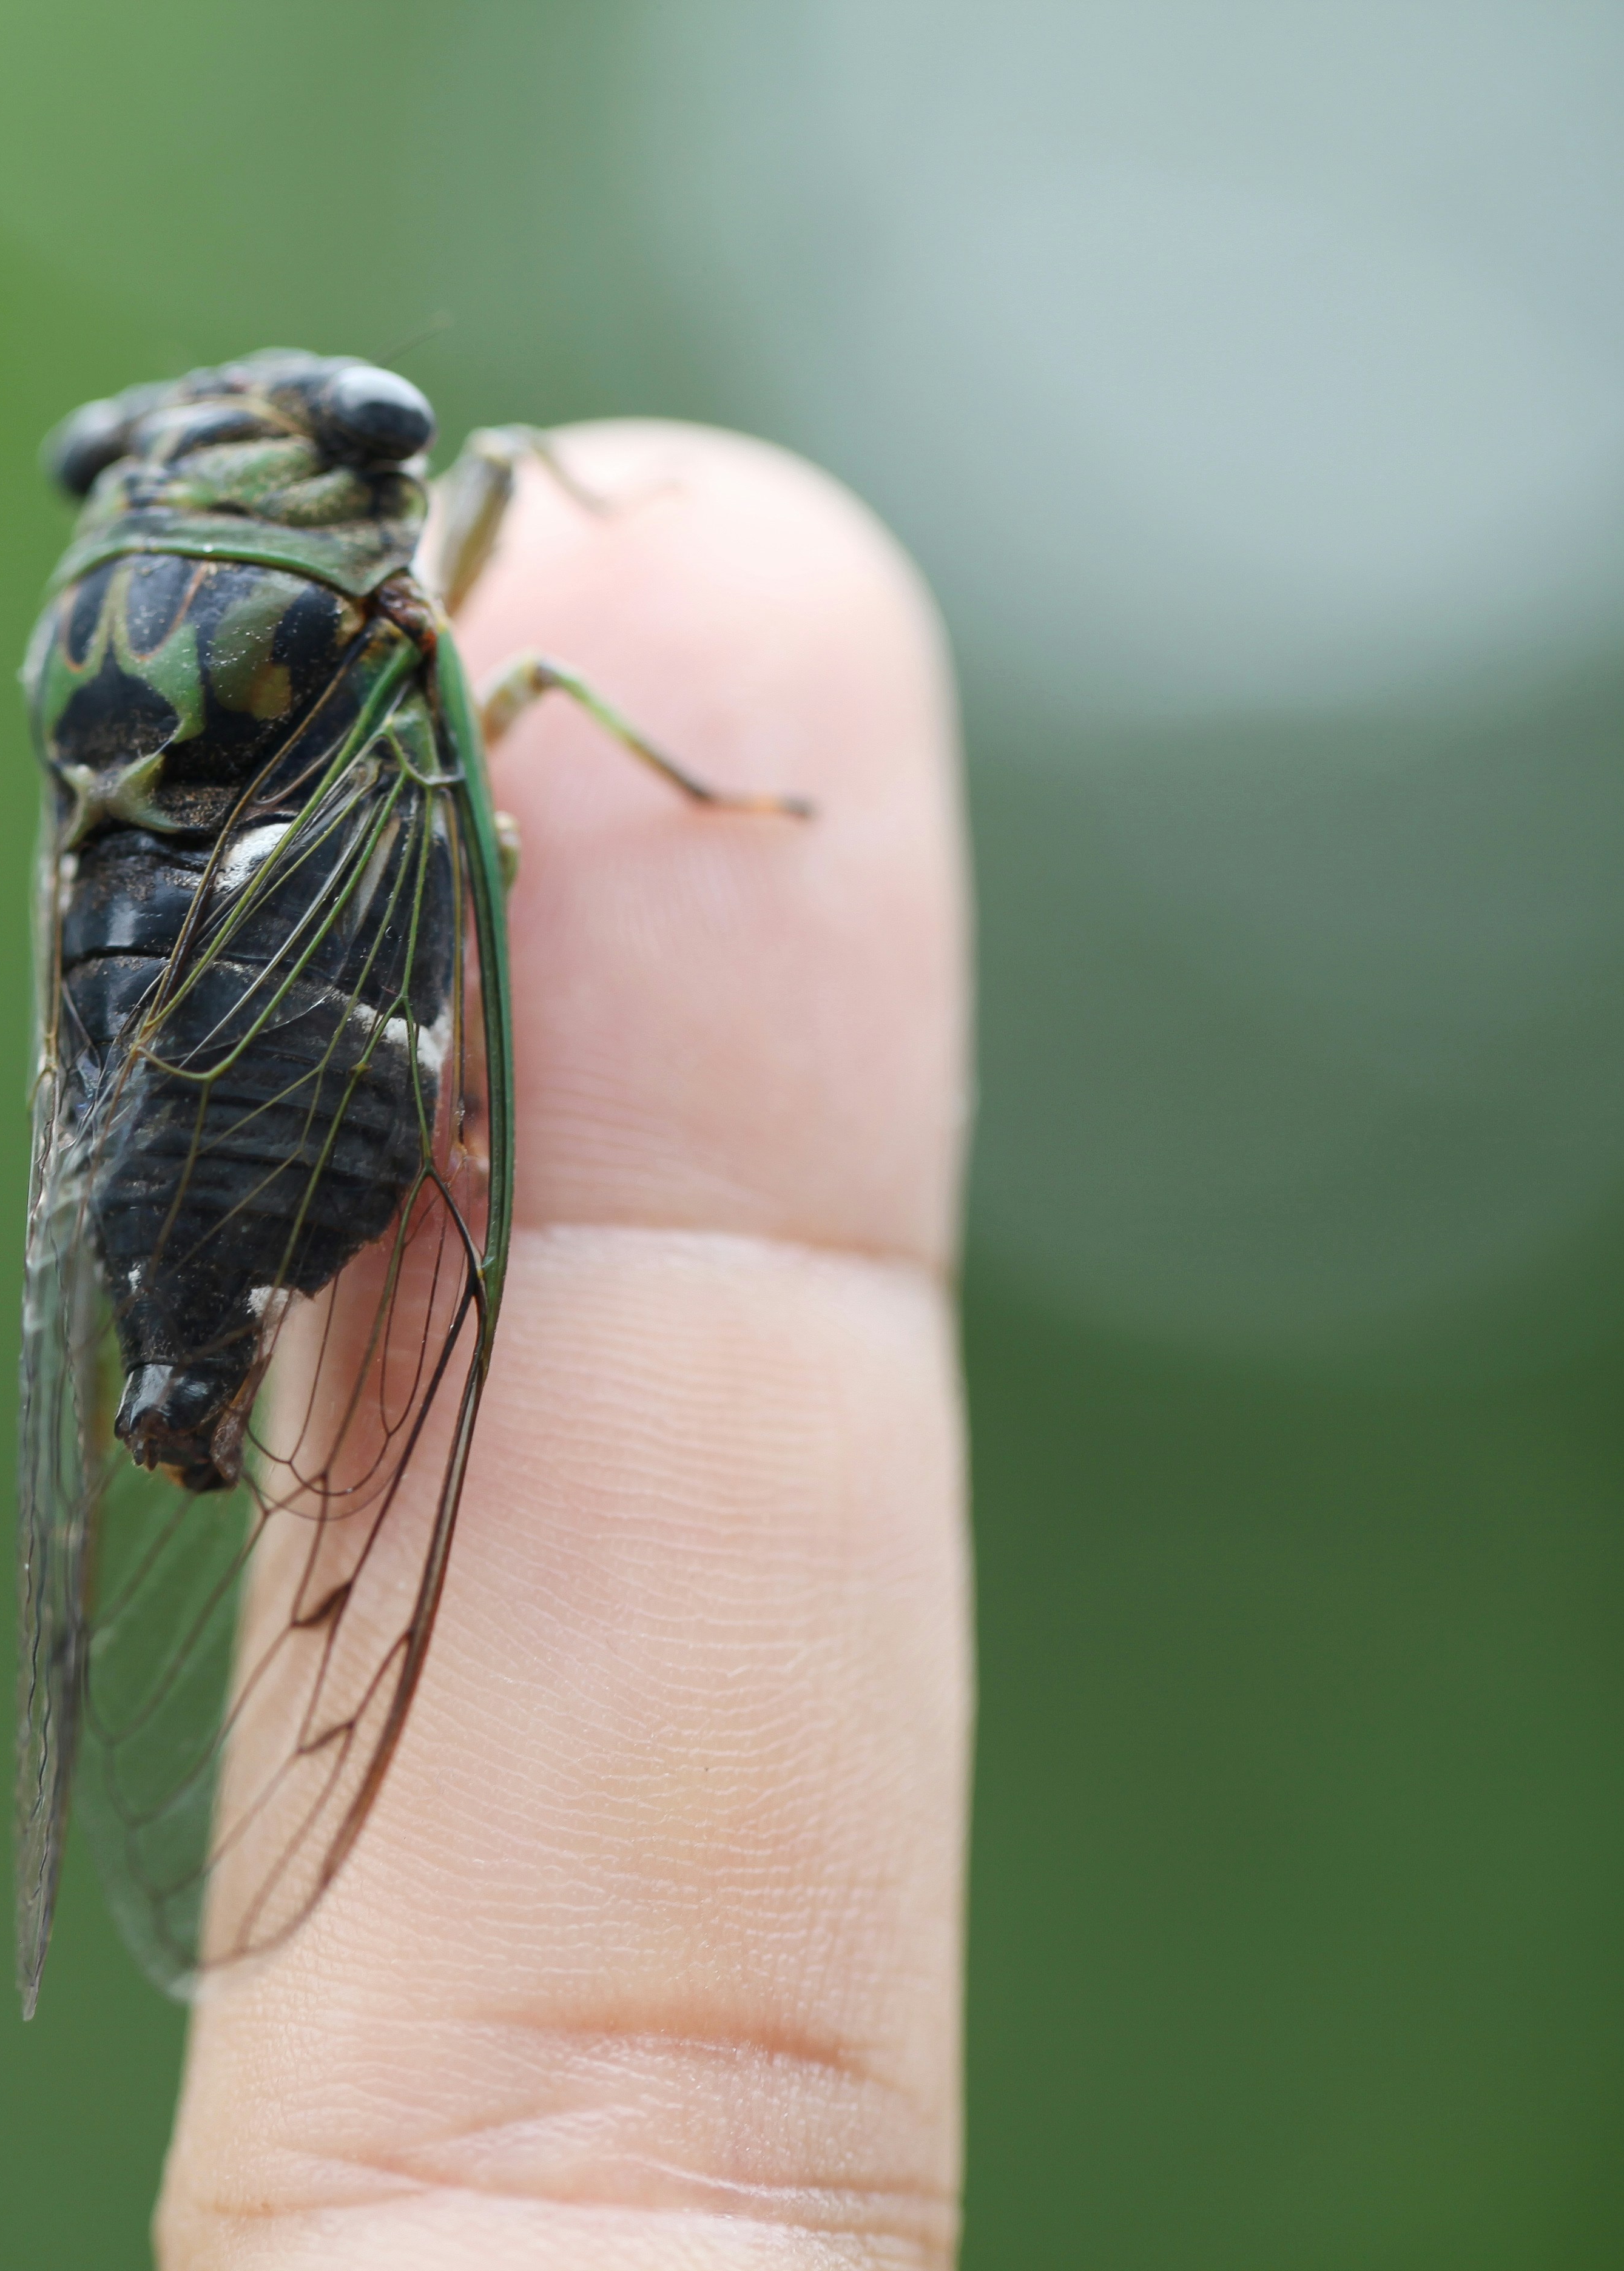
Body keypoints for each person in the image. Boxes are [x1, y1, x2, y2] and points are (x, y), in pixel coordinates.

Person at [154, 423, 975, 2267]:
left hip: (170, 1096)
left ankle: (189, 1321)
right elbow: (486, 835)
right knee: (507, 755)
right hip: (352, 1060)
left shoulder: (118, 658)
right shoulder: (407, 626)